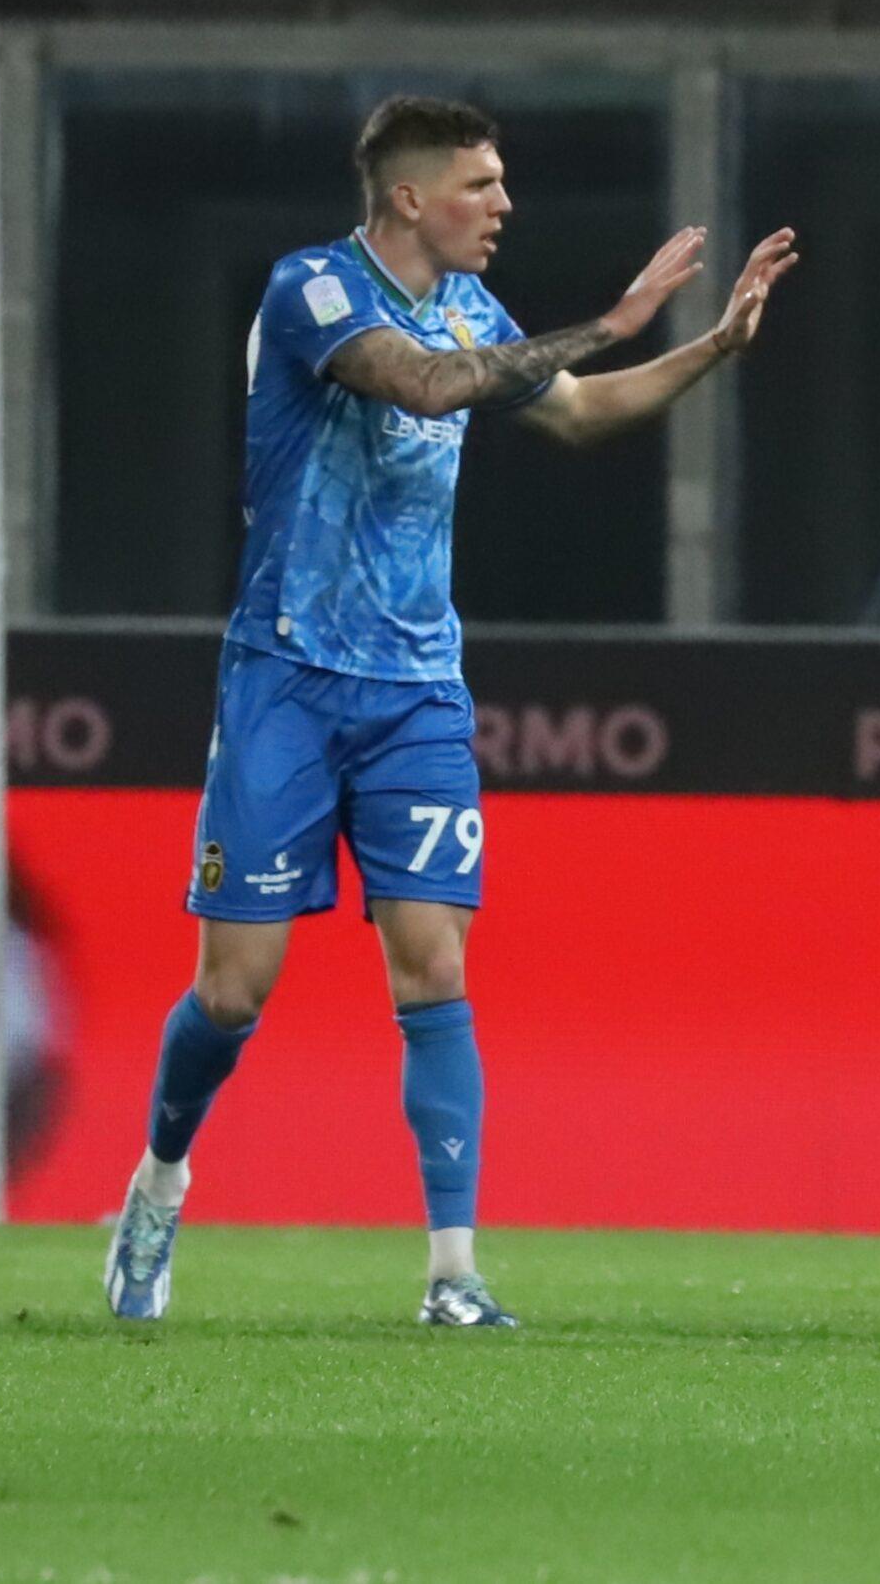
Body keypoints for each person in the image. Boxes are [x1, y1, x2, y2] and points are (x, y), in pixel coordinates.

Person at [103, 95, 798, 1327]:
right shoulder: (313, 289)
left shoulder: (474, 307)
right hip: (285, 676)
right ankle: (159, 1182)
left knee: (433, 963)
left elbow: (577, 411)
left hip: (418, 689)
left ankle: (453, 1274)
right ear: (409, 197)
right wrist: (612, 321)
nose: (503, 205)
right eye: (480, 184)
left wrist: (709, 349)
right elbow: (424, 388)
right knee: (234, 991)